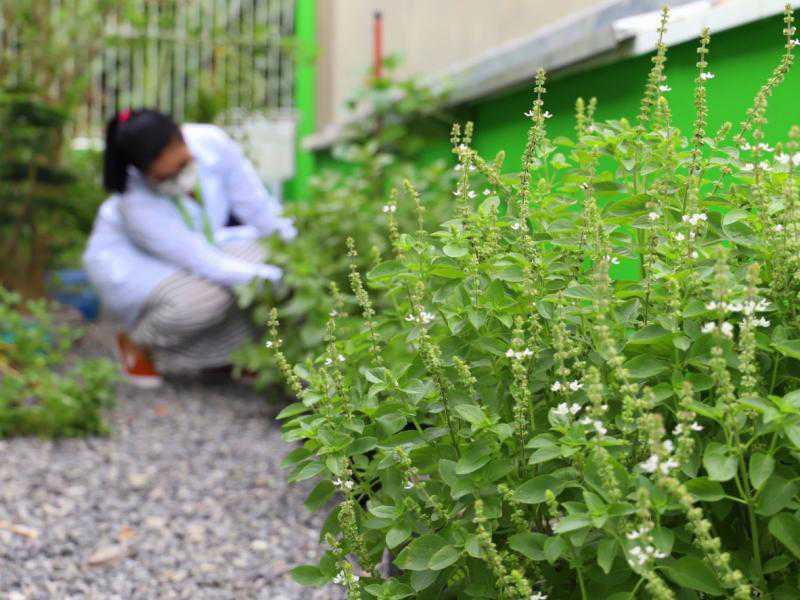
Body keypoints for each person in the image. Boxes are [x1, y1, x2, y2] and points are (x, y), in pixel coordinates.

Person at [83, 109, 295, 387]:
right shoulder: (134, 203)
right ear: (143, 172)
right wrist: (280, 279)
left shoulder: (211, 142)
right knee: (208, 298)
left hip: (197, 247)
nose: (182, 174)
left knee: (266, 255)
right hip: (133, 265)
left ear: (181, 136)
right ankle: (137, 341)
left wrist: (295, 250)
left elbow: (256, 206)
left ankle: (231, 357)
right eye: (166, 175)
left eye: (184, 162)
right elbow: (205, 262)